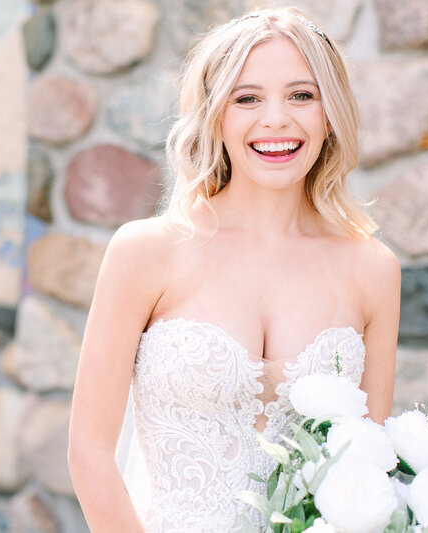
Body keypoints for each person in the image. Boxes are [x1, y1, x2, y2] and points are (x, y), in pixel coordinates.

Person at [67, 7, 401, 532]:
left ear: (329, 112)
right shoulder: (146, 252)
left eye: (302, 95)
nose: (276, 120)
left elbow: (369, 463)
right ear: (215, 113)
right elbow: (89, 454)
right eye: (247, 98)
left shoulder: (373, 269)